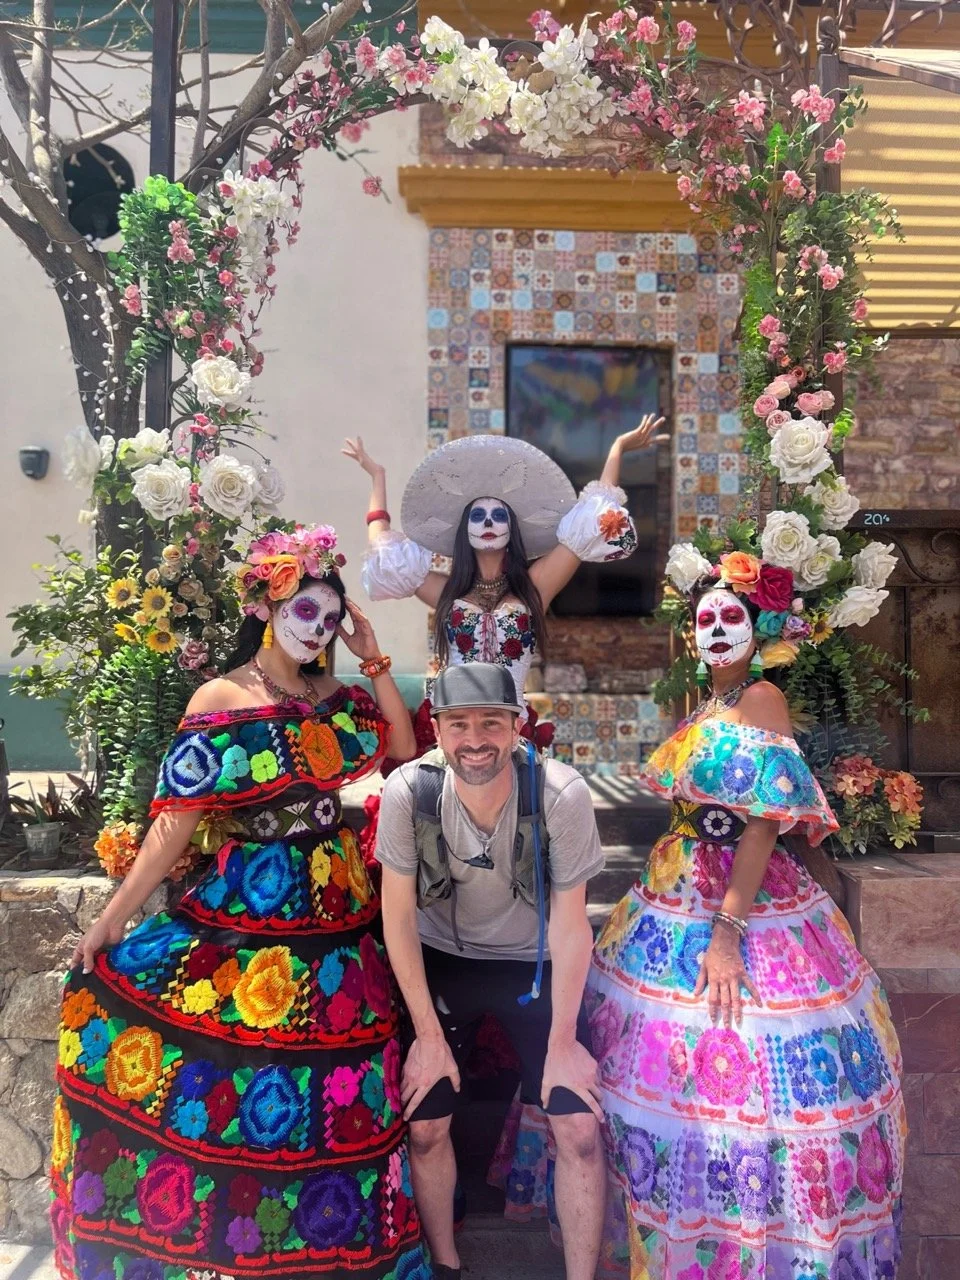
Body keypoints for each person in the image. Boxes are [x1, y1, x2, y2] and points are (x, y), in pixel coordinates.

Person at [50, 525, 430, 1280]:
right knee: (251, 1072)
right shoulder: (220, 696)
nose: (316, 628)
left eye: (328, 615)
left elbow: (399, 746)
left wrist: (371, 649)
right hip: (250, 902)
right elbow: (172, 828)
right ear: (265, 605)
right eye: (304, 611)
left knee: (338, 1080)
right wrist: (109, 922)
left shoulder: (333, 694)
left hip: (336, 911)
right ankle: (241, 1254)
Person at [586, 571, 906, 1279]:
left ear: (757, 629)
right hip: (674, 882)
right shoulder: (713, 700)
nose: (717, 629)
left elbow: (764, 819)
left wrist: (727, 929)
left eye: (732, 615)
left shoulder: (761, 697)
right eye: (704, 619)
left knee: (747, 1064)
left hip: (735, 892)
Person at [374, 662, 607, 1280]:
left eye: (490, 723)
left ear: (517, 724)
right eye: (457, 725)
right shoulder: (410, 791)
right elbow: (396, 917)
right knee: (425, 1126)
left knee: (578, 1127)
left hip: (535, 965)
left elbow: (570, 924)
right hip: (444, 964)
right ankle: (448, 1266)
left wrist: (561, 1045)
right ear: (437, 729)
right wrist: (426, 1035)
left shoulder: (561, 794)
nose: (474, 739)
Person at [343, 423, 665, 711]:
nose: (488, 523)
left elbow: (593, 521)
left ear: (512, 527)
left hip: (512, 726)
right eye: (477, 516)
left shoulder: (535, 586)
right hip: (455, 721)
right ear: (463, 530)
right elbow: (385, 555)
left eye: (498, 516)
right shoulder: (447, 591)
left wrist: (616, 448)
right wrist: (378, 476)